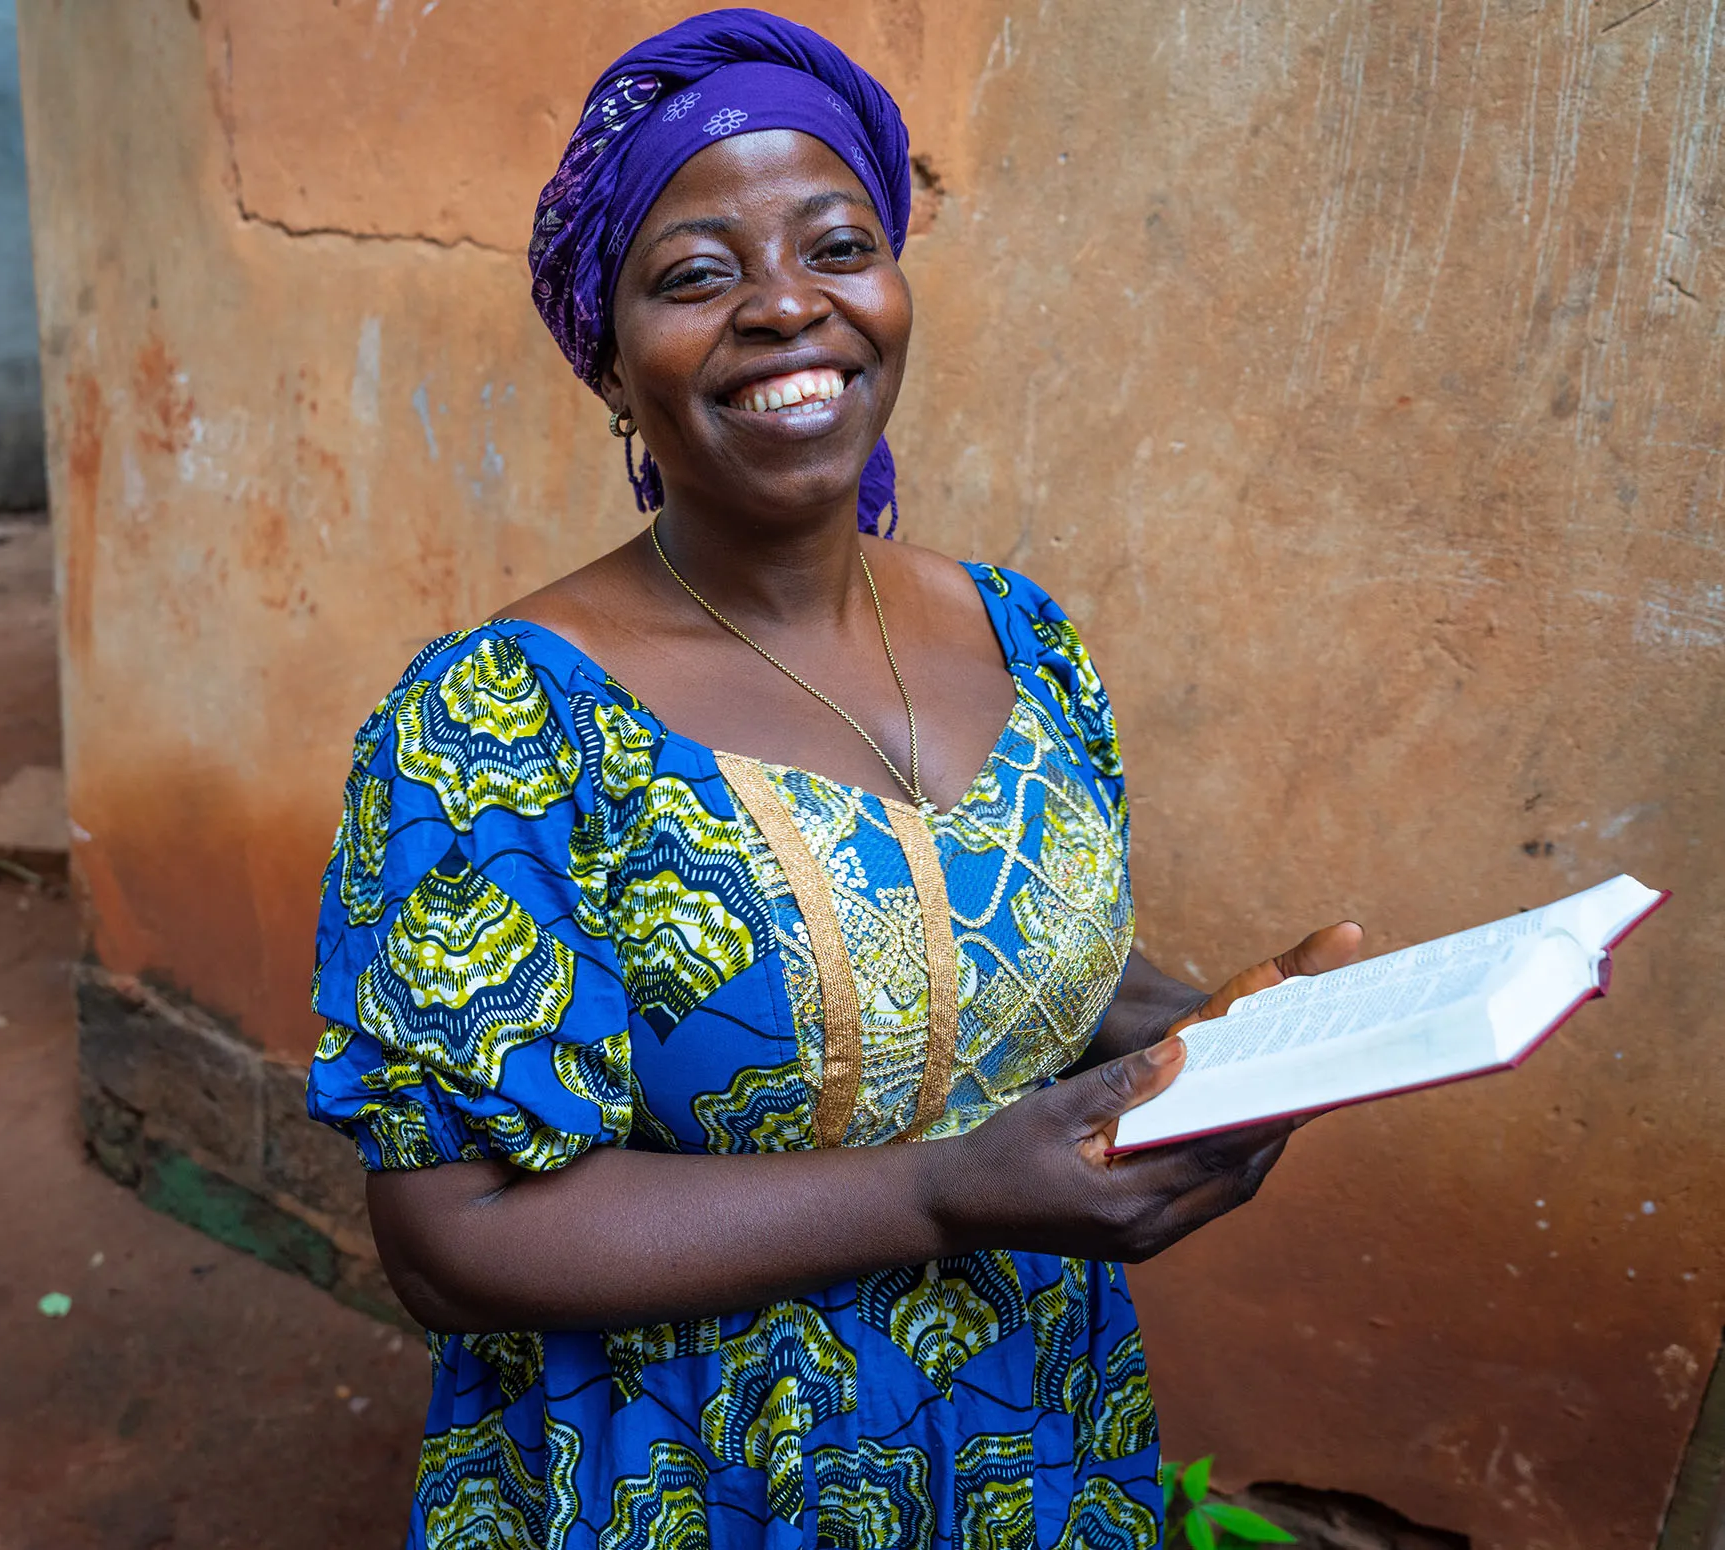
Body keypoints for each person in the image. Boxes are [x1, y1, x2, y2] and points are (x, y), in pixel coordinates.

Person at [307, 11, 1362, 1547]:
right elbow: (449, 1237)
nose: (785, 305)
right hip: (694, 1467)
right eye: (695, 272)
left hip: (1025, 1425)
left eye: (835, 245)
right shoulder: (497, 720)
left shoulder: (1020, 633)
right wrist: (944, 1192)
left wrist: (1221, 1041)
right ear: (608, 358)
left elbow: (967, 936)